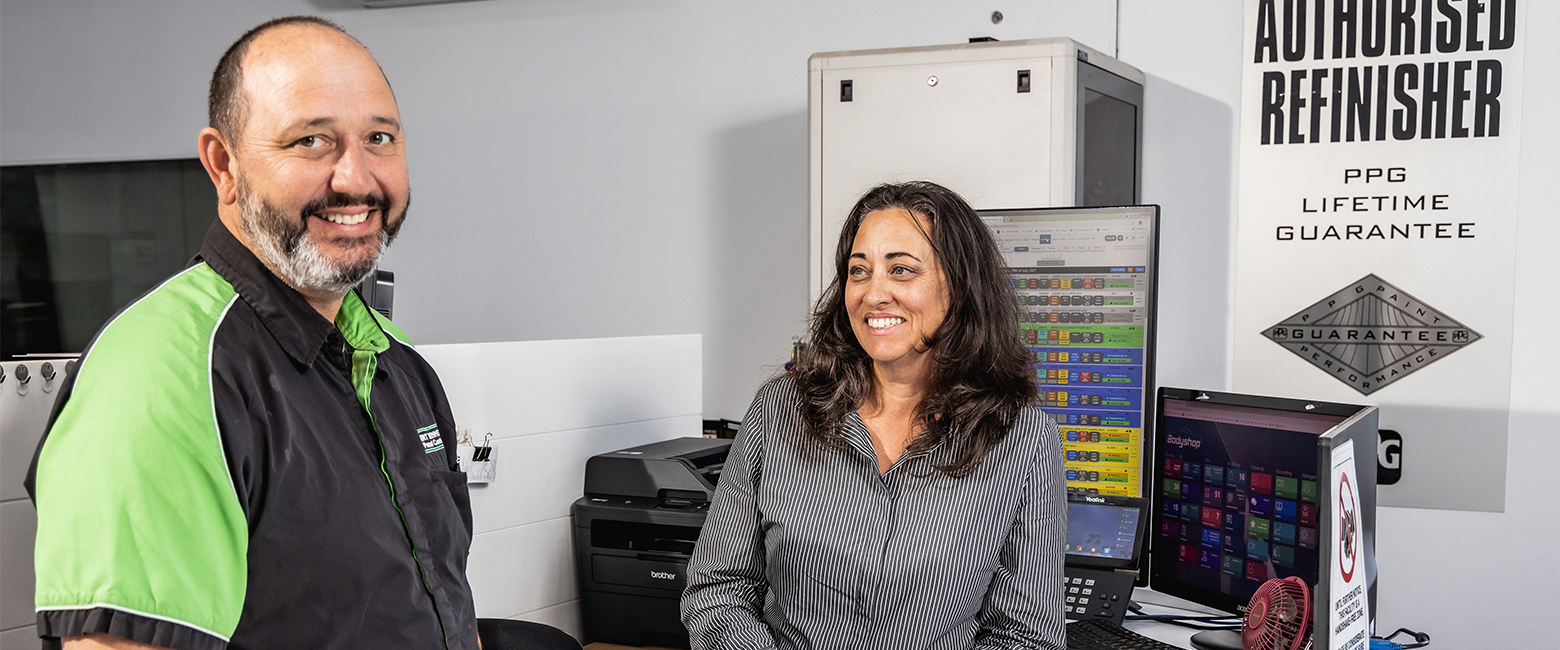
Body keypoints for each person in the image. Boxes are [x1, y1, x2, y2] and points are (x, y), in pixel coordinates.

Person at [24, 17, 480, 650]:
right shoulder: (164, 373)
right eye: (312, 141)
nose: (356, 179)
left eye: (379, 137)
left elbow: (442, 612)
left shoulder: (394, 362)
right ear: (224, 164)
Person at [681, 181, 1067, 649]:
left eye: (901, 270)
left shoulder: (1023, 440)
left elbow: (1026, 637)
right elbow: (715, 590)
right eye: (858, 271)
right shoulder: (781, 409)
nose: (873, 293)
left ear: (960, 288)